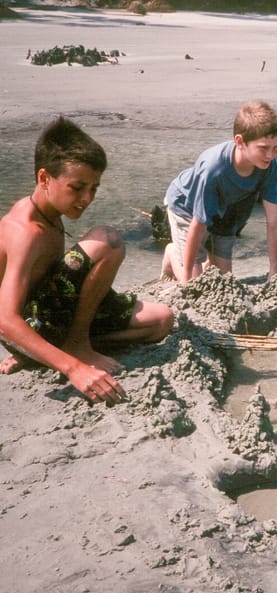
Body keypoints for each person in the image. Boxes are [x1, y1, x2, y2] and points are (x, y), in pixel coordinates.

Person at [0, 116, 175, 404]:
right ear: (44, 178)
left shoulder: (49, 214)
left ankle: (51, 350)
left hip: (52, 313)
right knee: (108, 240)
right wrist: (75, 369)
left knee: (161, 322)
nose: (87, 198)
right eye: (77, 187)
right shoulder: (26, 231)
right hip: (29, 322)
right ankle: (75, 347)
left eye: (94, 188)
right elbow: (6, 319)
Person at [160, 100, 277, 283]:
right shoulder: (213, 169)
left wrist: (274, 272)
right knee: (192, 282)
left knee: (223, 279)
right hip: (187, 207)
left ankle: (203, 265)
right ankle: (172, 254)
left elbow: (274, 220)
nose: (270, 155)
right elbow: (198, 223)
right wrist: (187, 279)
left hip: (227, 212)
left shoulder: (270, 166)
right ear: (240, 142)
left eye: (275, 148)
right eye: (263, 148)